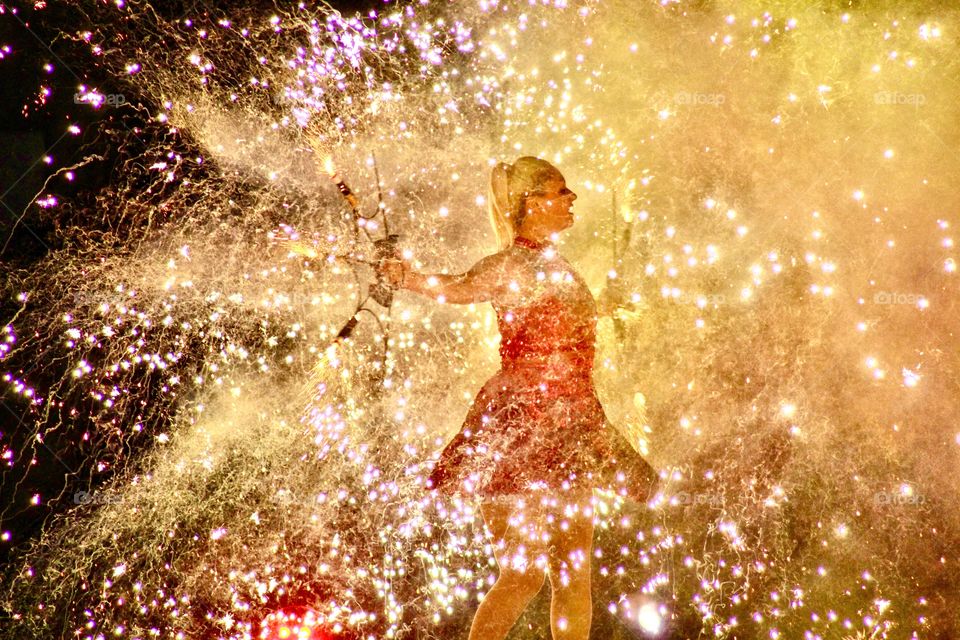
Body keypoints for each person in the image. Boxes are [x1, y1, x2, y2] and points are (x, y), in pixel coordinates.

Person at [379, 156, 656, 640]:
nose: (571, 198)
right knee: (525, 574)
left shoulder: (556, 266)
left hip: (572, 420)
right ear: (531, 202)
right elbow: (460, 288)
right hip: (522, 424)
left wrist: (610, 308)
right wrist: (408, 277)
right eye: (559, 190)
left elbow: (564, 322)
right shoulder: (511, 264)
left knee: (572, 574)